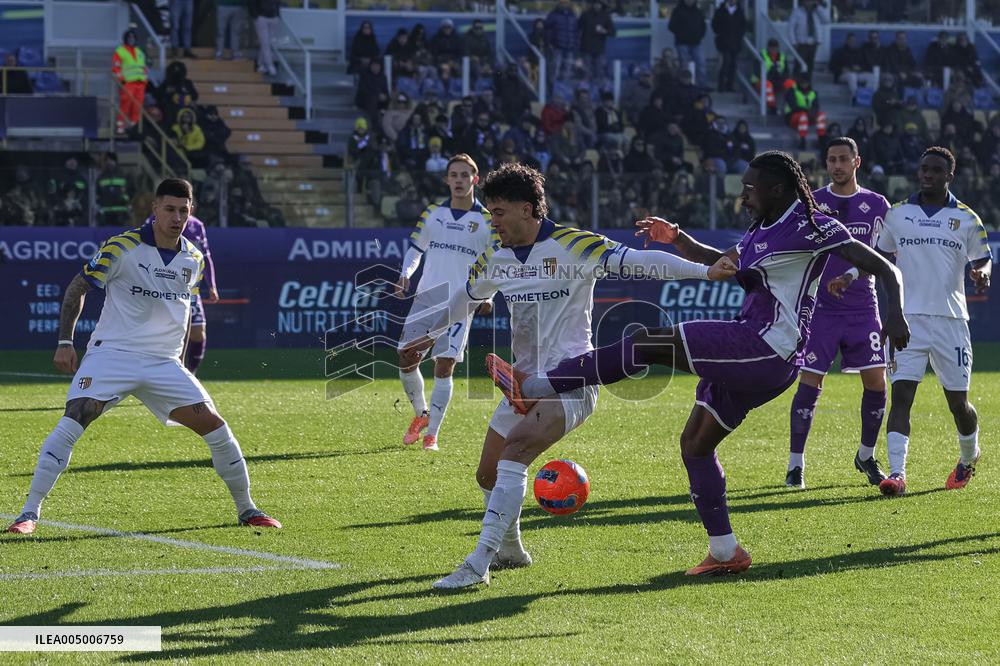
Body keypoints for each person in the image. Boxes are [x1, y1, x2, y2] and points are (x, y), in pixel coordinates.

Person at [499, 151, 908, 575]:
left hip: (765, 346)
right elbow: (722, 264)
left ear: (778, 190)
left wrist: (894, 318)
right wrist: (677, 238)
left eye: (750, 188)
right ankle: (726, 552)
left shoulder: (813, 224)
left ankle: (535, 387)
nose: (743, 195)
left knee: (648, 343)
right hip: (762, 353)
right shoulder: (759, 232)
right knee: (695, 445)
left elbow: (884, 268)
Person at [401, 162, 736, 588]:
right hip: (522, 385)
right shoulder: (495, 258)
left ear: (527, 209)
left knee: (515, 452)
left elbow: (642, 262)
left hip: (573, 381)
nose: (492, 221)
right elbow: (464, 300)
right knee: (487, 474)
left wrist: (705, 271)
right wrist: (429, 336)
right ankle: (511, 550)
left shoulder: (573, 244)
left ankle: (477, 564)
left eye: (499, 212)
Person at [7, 179, 280, 536]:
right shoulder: (123, 246)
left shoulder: (192, 258)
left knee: (216, 427)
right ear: (154, 209)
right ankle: (28, 513)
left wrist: (179, 362)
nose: (176, 217)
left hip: (163, 362)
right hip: (114, 355)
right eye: (169, 209)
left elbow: (181, 313)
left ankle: (248, 509)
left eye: (184, 210)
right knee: (75, 417)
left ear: (191, 212)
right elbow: (78, 286)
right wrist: (64, 341)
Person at [875, 147, 992, 496]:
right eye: (924, 169)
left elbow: (984, 260)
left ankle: (969, 456)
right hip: (906, 321)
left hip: (950, 321)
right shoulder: (897, 214)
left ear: (948, 176)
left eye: (936, 170)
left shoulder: (967, 218)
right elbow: (881, 264)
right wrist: (891, 314)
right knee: (902, 397)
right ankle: (897, 474)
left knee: (959, 404)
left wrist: (981, 274)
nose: (927, 174)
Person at [784, 137, 891, 488]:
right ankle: (795, 465)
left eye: (843, 159)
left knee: (877, 382)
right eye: (831, 160)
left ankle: (865, 455)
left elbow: (882, 258)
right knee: (810, 381)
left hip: (863, 308)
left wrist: (850, 276)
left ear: (857, 162)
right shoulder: (812, 202)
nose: (837, 166)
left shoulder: (877, 205)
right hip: (821, 310)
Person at [395, 155, 496, 452]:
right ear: (447, 179)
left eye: (465, 175)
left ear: (475, 180)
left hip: (461, 300)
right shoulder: (433, 213)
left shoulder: (487, 221)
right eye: (454, 175)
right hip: (426, 297)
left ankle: (432, 436)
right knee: (405, 358)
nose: (459, 180)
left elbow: (499, 262)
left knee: (444, 365)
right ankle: (421, 415)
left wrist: (489, 294)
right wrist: (405, 274)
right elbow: (415, 249)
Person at [142, 212, 220, 373]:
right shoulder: (154, 219)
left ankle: (190, 374)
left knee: (198, 333)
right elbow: (143, 251)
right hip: (162, 285)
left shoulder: (197, 225)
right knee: (164, 333)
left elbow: (205, 257)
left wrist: (211, 285)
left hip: (188, 287)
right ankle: (154, 373)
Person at [113, 29, 148, 135]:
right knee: (125, 104)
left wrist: (145, 81)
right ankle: (120, 127)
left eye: (133, 37)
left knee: (137, 106)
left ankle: (134, 127)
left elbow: (144, 68)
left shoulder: (140, 52)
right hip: (128, 83)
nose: (131, 39)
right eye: (129, 37)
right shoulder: (120, 51)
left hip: (140, 83)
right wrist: (121, 81)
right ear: (125, 38)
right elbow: (116, 67)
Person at [668, 0, 707, 87]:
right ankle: (683, 85)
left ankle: (702, 85)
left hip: (696, 42)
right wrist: (681, 33)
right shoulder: (677, 10)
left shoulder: (698, 11)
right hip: (682, 43)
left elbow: (703, 25)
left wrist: (700, 35)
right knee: (684, 65)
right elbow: (671, 26)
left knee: (701, 63)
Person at [711, 0, 746, 93]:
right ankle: (721, 85)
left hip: (735, 42)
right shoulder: (720, 10)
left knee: (733, 65)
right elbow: (715, 25)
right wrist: (721, 33)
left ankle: (729, 85)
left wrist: (739, 36)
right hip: (724, 42)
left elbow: (743, 26)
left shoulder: (740, 11)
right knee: (726, 61)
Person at [784, 74, 827, 149]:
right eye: (802, 82)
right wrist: (807, 111)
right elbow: (793, 106)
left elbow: (816, 106)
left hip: (808, 116)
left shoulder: (813, 93)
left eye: (806, 82)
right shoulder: (792, 91)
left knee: (821, 115)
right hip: (792, 117)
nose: (804, 84)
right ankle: (802, 140)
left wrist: (813, 112)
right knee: (803, 115)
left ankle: (821, 139)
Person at [578, 0, 615, 82]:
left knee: (599, 72)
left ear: (602, 5)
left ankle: (598, 91)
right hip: (586, 47)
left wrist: (604, 31)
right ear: (592, 4)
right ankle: (585, 91)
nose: (597, 5)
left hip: (599, 48)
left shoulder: (605, 15)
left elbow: (612, 32)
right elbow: (578, 28)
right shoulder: (585, 14)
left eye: (599, 3)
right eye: (595, 3)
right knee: (586, 73)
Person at [830, 32, 876, 96]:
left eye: (854, 41)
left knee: (872, 76)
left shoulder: (859, 52)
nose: (852, 42)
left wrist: (860, 68)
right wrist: (841, 69)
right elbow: (831, 66)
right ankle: (856, 96)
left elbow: (865, 64)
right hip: (843, 75)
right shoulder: (839, 51)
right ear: (846, 41)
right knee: (852, 76)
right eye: (850, 40)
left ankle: (866, 95)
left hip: (857, 73)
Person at [544, 0, 579, 84]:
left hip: (570, 46)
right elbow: (547, 30)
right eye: (563, 2)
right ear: (559, 3)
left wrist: (576, 43)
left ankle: (564, 88)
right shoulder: (553, 15)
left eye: (566, 2)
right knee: (555, 68)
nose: (565, 4)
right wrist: (549, 43)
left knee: (568, 69)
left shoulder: (573, 15)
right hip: (557, 46)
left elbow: (576, 31)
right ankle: (552, 87)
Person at [788, 0, 826, 75]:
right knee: (799, 64)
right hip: (801, 43)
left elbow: (826, 20)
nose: (809, 2)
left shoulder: (817, 11)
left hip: (813, 42)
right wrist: (793, 42)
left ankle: (808, 84)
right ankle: (796, 83)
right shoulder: (797, 12)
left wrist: (818, 8)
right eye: (807, 1)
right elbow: (790, 28)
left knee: (810, 65)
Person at [250, 0, 279, 76]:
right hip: (262, 17)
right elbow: (251, 3)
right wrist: (256, 15)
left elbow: (277, 2)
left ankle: (261, 64)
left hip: (273, 17)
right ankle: (270, 66)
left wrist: (277, 15)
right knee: (265, 43)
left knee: (266, 43)